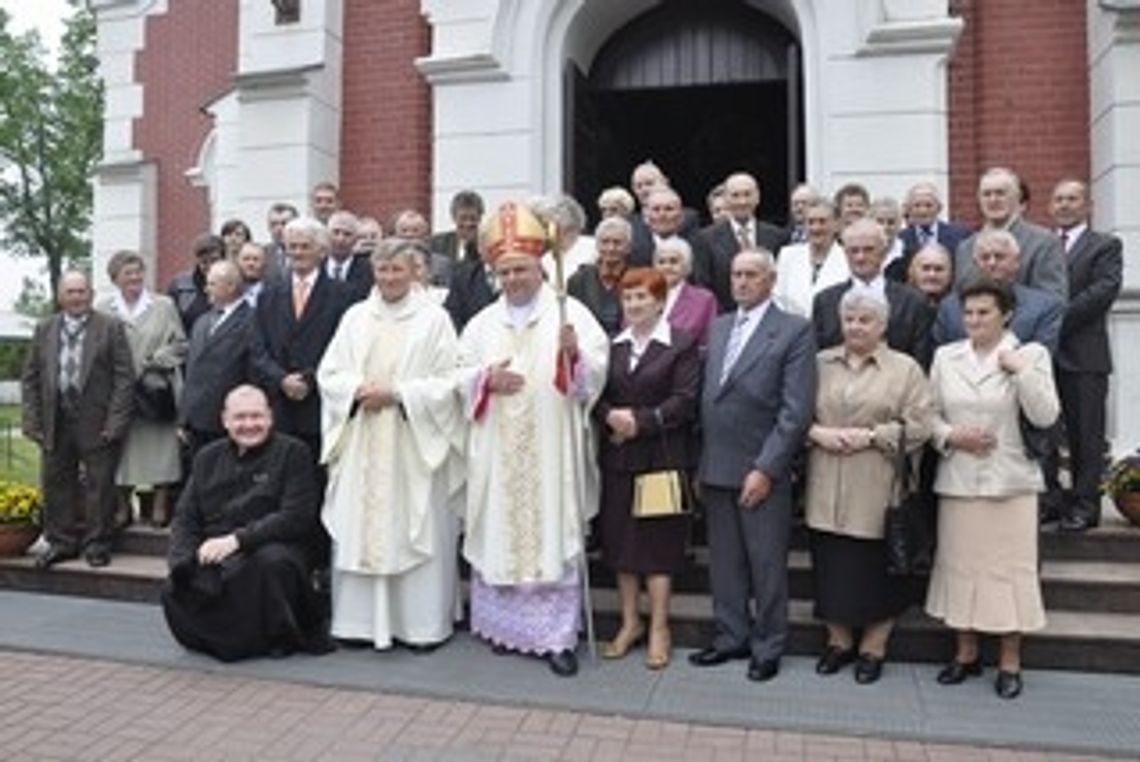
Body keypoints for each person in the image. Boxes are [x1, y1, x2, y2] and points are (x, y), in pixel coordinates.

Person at [456, 200, 609, 677]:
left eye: (521, 269)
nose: (514, 279)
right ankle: (505, 629)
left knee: (551, 532)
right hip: (500, 452)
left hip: (550, 451)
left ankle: (556, 638)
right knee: (503, 531)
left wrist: (575, 357)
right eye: (505, 272)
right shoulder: (482, 323)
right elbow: (457, 376)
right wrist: (483, 381)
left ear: (541, 265)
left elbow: (593, 377)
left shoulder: (571, 313)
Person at [317, 239, 465, 651]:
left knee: (414, 525)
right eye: (382, 270)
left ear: (415, 271)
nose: (388, 278)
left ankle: (420, 626)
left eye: (397, 269)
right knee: (362, 525)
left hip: (412, 442)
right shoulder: (356, 317)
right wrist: (356, 389)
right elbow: (329, 373)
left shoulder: (434, 320)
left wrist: (400, 394)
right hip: (364, 435)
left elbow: (451, 380)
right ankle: (359, 625)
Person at [925, 279, 1059, 700]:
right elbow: (927, 414)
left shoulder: (1030, 354)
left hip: (1012, 483)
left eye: (984, 312)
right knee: (960, 568)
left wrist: (1019, 370)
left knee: (1009, 574)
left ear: (1007, 315)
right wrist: (950, 435)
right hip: (960, 481)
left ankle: (1009, 660)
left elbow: (1045, 414)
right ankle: (965, 654)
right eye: (968, 313)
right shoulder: (946, 357)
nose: (974, 320)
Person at [690, 249, 816, 683]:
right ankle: (731, 637)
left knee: (765, 564)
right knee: (724, 564)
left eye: (751, 275)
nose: (741, 282)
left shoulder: (793, 331)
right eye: (736, 274)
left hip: (761, 468)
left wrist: (767, 468)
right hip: (717, 464)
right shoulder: (720, 326)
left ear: (771, 280)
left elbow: (795, 411)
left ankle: (768, 645)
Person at [805, 288, 931, 684]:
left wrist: (873, 436)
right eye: (849, 320)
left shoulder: (905, 369)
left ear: (883, 324)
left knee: (875, 570)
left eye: (865, 320)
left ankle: (873, 648)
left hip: (876, 484)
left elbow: (922, 425)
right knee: (831, 566)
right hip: (826, 481)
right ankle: (838, 642)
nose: (855, 327)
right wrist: (816, 432)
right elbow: (792, 412)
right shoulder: (819, 363)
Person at [162, 385, 333, 662]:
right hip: (218, 550)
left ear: (270, 417)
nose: (249, 425)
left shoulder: (294, 452)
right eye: (240, 418)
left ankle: (275, 637)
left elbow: (296, 516)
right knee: (177, 585)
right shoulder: (207, 457)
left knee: (272, 564)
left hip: (273, 545)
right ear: (225, 420)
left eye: (256, 416)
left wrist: (236, 541)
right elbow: (186, 517)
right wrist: (183, 561)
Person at [593, 267, 699, 670]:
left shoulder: (680, 345)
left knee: (657, 550)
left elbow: (684, 400)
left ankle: (659, 628)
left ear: (660, 302)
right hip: (619, 459)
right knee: (621, 547)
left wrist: (640, 421)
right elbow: (597, 395)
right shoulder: (612, 347)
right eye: (628, 297)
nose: (634, 305)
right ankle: (629, 623)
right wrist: (610, 418)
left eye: (642, 297)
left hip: (662, 460)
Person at [21, 271, 134, 568]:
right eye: (70, 292)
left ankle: (97, 544)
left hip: (98, 422)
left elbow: (125, 379)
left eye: (82, 291)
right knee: (56, 483)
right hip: (54, 420)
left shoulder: (110, 328)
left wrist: (116, 422)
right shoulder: (44, 329)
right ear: (61, 297)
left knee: (100, 485)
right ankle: (61, 542)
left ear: (91, 294)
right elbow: (31, 377)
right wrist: (32, 421)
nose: (77, 297)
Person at [1048, 179, 1123, 531]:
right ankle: (1051, 501)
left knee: (1085, 434)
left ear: (1087, 206)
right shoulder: (1043, 245)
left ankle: (1084, 505)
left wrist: (1052, 320)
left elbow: (1103, 291)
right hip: (1044, 356)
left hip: (1084, 355)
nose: (1064, 205)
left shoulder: (1105, 245)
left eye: (1072, 199)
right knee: (1044, 433)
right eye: (1059, 199)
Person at [97, 251, 187, 527]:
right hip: (118, 389)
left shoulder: (164, 305)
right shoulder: (103, 307)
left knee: (160, 446)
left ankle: (160, 503)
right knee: (120, 447)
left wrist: (157, 359)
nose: (135, 277)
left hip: (154, 389)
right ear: (115, 279)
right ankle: (123, 507)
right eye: (128, 273)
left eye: (138, 271)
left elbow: (181, 343)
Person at [251, 216, 351, 462]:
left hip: (320, 404)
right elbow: (257, 348)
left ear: (321, 250)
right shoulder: (269, 294)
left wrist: (308, 379)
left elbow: (344, 348)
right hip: (279, 406)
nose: (297, 252)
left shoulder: (343, 295)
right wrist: (282, 379)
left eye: (305, 246)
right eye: (292, 246)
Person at [813, 218, 934, 366]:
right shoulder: (825, 301)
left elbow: (921, 361)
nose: (860, 257)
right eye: (854, 250)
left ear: (883, 252)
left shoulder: (913, 302)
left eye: (868, 250)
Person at [932, 229, 1063, 353]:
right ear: (976, 263)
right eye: (985, 257)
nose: (992, 263)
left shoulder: (1045, 308)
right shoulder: (950, 308)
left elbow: (1041, 358)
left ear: (1016, 262)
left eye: (999, 257)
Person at [954, 167, 1067, 299]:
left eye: (1000, 193)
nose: (993, 200)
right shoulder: (965, 248)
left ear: (1017, 198)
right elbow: (956, 300)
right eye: (986, 194)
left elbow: (1053, 300)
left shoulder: (1044, 243)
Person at [180, 260, 253, 461]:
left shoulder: (253, 321)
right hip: (196, 423)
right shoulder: (202, 321)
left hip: (227, 421)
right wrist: (184, 418)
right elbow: (192, 372)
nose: (206, 289)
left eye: (212, 284)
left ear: (230, 286)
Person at [697, 172, 788, 313]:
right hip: (725, 320)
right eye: (735, 195)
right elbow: (704, 286)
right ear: (726, 199)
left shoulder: (777, 236)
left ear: (757, 197)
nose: (742, 201)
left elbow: (783, 282)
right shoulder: (706, 239)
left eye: (747, 194)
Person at [773, 199, 849, 318]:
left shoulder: (848, 258)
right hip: (793, 331)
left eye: (822, 222)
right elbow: (777, 298)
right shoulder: (788, 255)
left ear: (837, 225)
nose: (816, 228)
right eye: (810, 222)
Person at [888, 181, 970, 281]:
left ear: (939, 208)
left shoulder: (959, 236)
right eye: (917, 206)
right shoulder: (900, 240)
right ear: (909, 209)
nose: (923, 211)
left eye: (928, 205)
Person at [567, 216, 630, 336]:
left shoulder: (637, 278)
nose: (611, 248)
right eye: (605, 242)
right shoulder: (579, 280)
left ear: (628, 247)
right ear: (596, 245)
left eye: (617, 243)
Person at [654, 236, 718, 353]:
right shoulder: (643, 295)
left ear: (687, 266)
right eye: (661, 262)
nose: (667, 267)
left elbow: (709, 343)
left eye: (674, 261)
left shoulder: (704, 300)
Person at [167, 233, 225, 335]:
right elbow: (170, 324)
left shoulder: (235, 284)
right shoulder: (180, 286)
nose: (209, 266)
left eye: (214, 260)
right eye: (204, 262)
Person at [325, 210, 373, 300]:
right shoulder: (315, 266)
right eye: (336, 232)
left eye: (347, 234)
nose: (340, 239)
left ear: (356, 239)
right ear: (326, 235)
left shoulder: (368, 270)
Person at [430, 189, 484, 264]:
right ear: (454, 217)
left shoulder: (488, 244)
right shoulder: (437, 244)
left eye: (473, 218)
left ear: (480, 217)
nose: (468, 223)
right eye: (463, 218)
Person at [264, 202, 299, 277]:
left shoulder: (309, 253)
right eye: (274, 224)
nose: (279, 229)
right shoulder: (262, 254)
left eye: (284, 223)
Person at [236, 242, 269, 308]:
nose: (250, 263)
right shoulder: (230, 293)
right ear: (237, 262)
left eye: (256, 259)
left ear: (265, 263)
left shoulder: (275, 294)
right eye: (246, 259)